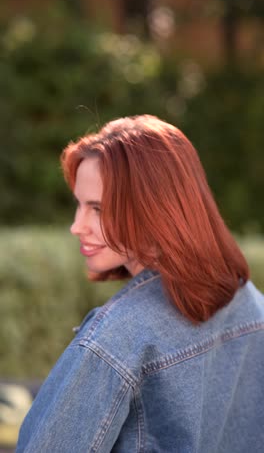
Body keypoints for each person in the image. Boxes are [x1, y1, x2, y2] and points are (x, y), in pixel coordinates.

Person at [16, 115, 264, 452]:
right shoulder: (247, 300)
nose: (77, 225)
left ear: (156, 209)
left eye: (98, 209)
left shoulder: (114, 342)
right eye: (79, 204)